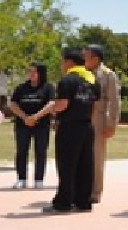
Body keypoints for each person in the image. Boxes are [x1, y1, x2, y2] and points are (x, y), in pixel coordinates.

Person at [35, 49, 99, 214]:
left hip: (70, 126)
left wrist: (52, 109)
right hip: (87, 126)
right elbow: (94, 106)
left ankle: (63, 203)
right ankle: (83, 201)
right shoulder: (92, 80)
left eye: (63, 61)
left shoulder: (67, 80)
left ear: (70, 62)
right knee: (85, 164)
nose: (62, 65)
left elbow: (63, 104)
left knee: (67, 164)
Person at [7, 63, 54, 190]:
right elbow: (13, 104)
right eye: (30, 71)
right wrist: (25, 117)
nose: (31, 74)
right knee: (21, 151)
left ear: (41, 73)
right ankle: (21, 179)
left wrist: (36, 117)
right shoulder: (21, 88)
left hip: (42, 125)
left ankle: (39, 179)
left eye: (34, 71)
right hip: (22, 125)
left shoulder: (48, 87)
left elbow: (51, 104)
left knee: (41, 151)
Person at [83, 45, 120, 204]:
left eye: (86, 56)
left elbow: (114, 101)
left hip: (98, 119)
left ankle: (95, 192)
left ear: (96, 59)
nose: (84, 59)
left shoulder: (108, 75)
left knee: (96, 157)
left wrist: (112, 124)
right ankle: (82, 189)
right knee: (82, 155)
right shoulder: (82, 73)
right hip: (82, 118)